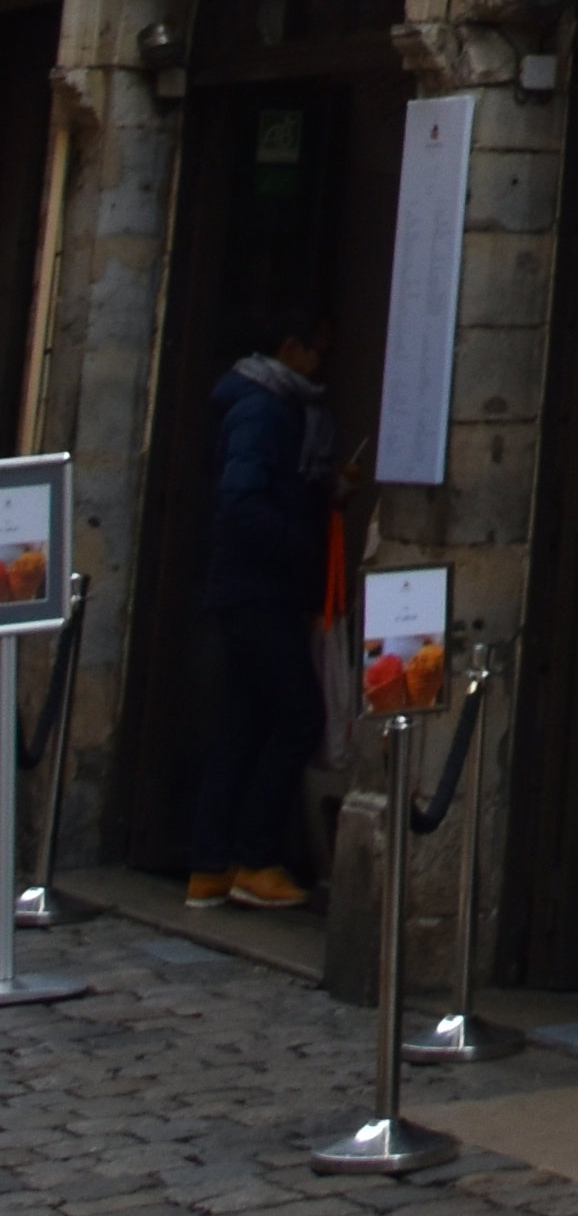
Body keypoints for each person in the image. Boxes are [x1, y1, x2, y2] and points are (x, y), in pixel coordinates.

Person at [188, 319, 335, 907]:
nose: (322, 364)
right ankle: (254, 857)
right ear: (290, 347)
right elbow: (241, 501)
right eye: (318, 349)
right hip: (257, 588)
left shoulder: (270, 407)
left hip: (250, 586)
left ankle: (211, 864)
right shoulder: (264, 410)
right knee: (298, 715)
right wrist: (304, 543)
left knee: (243, 724)